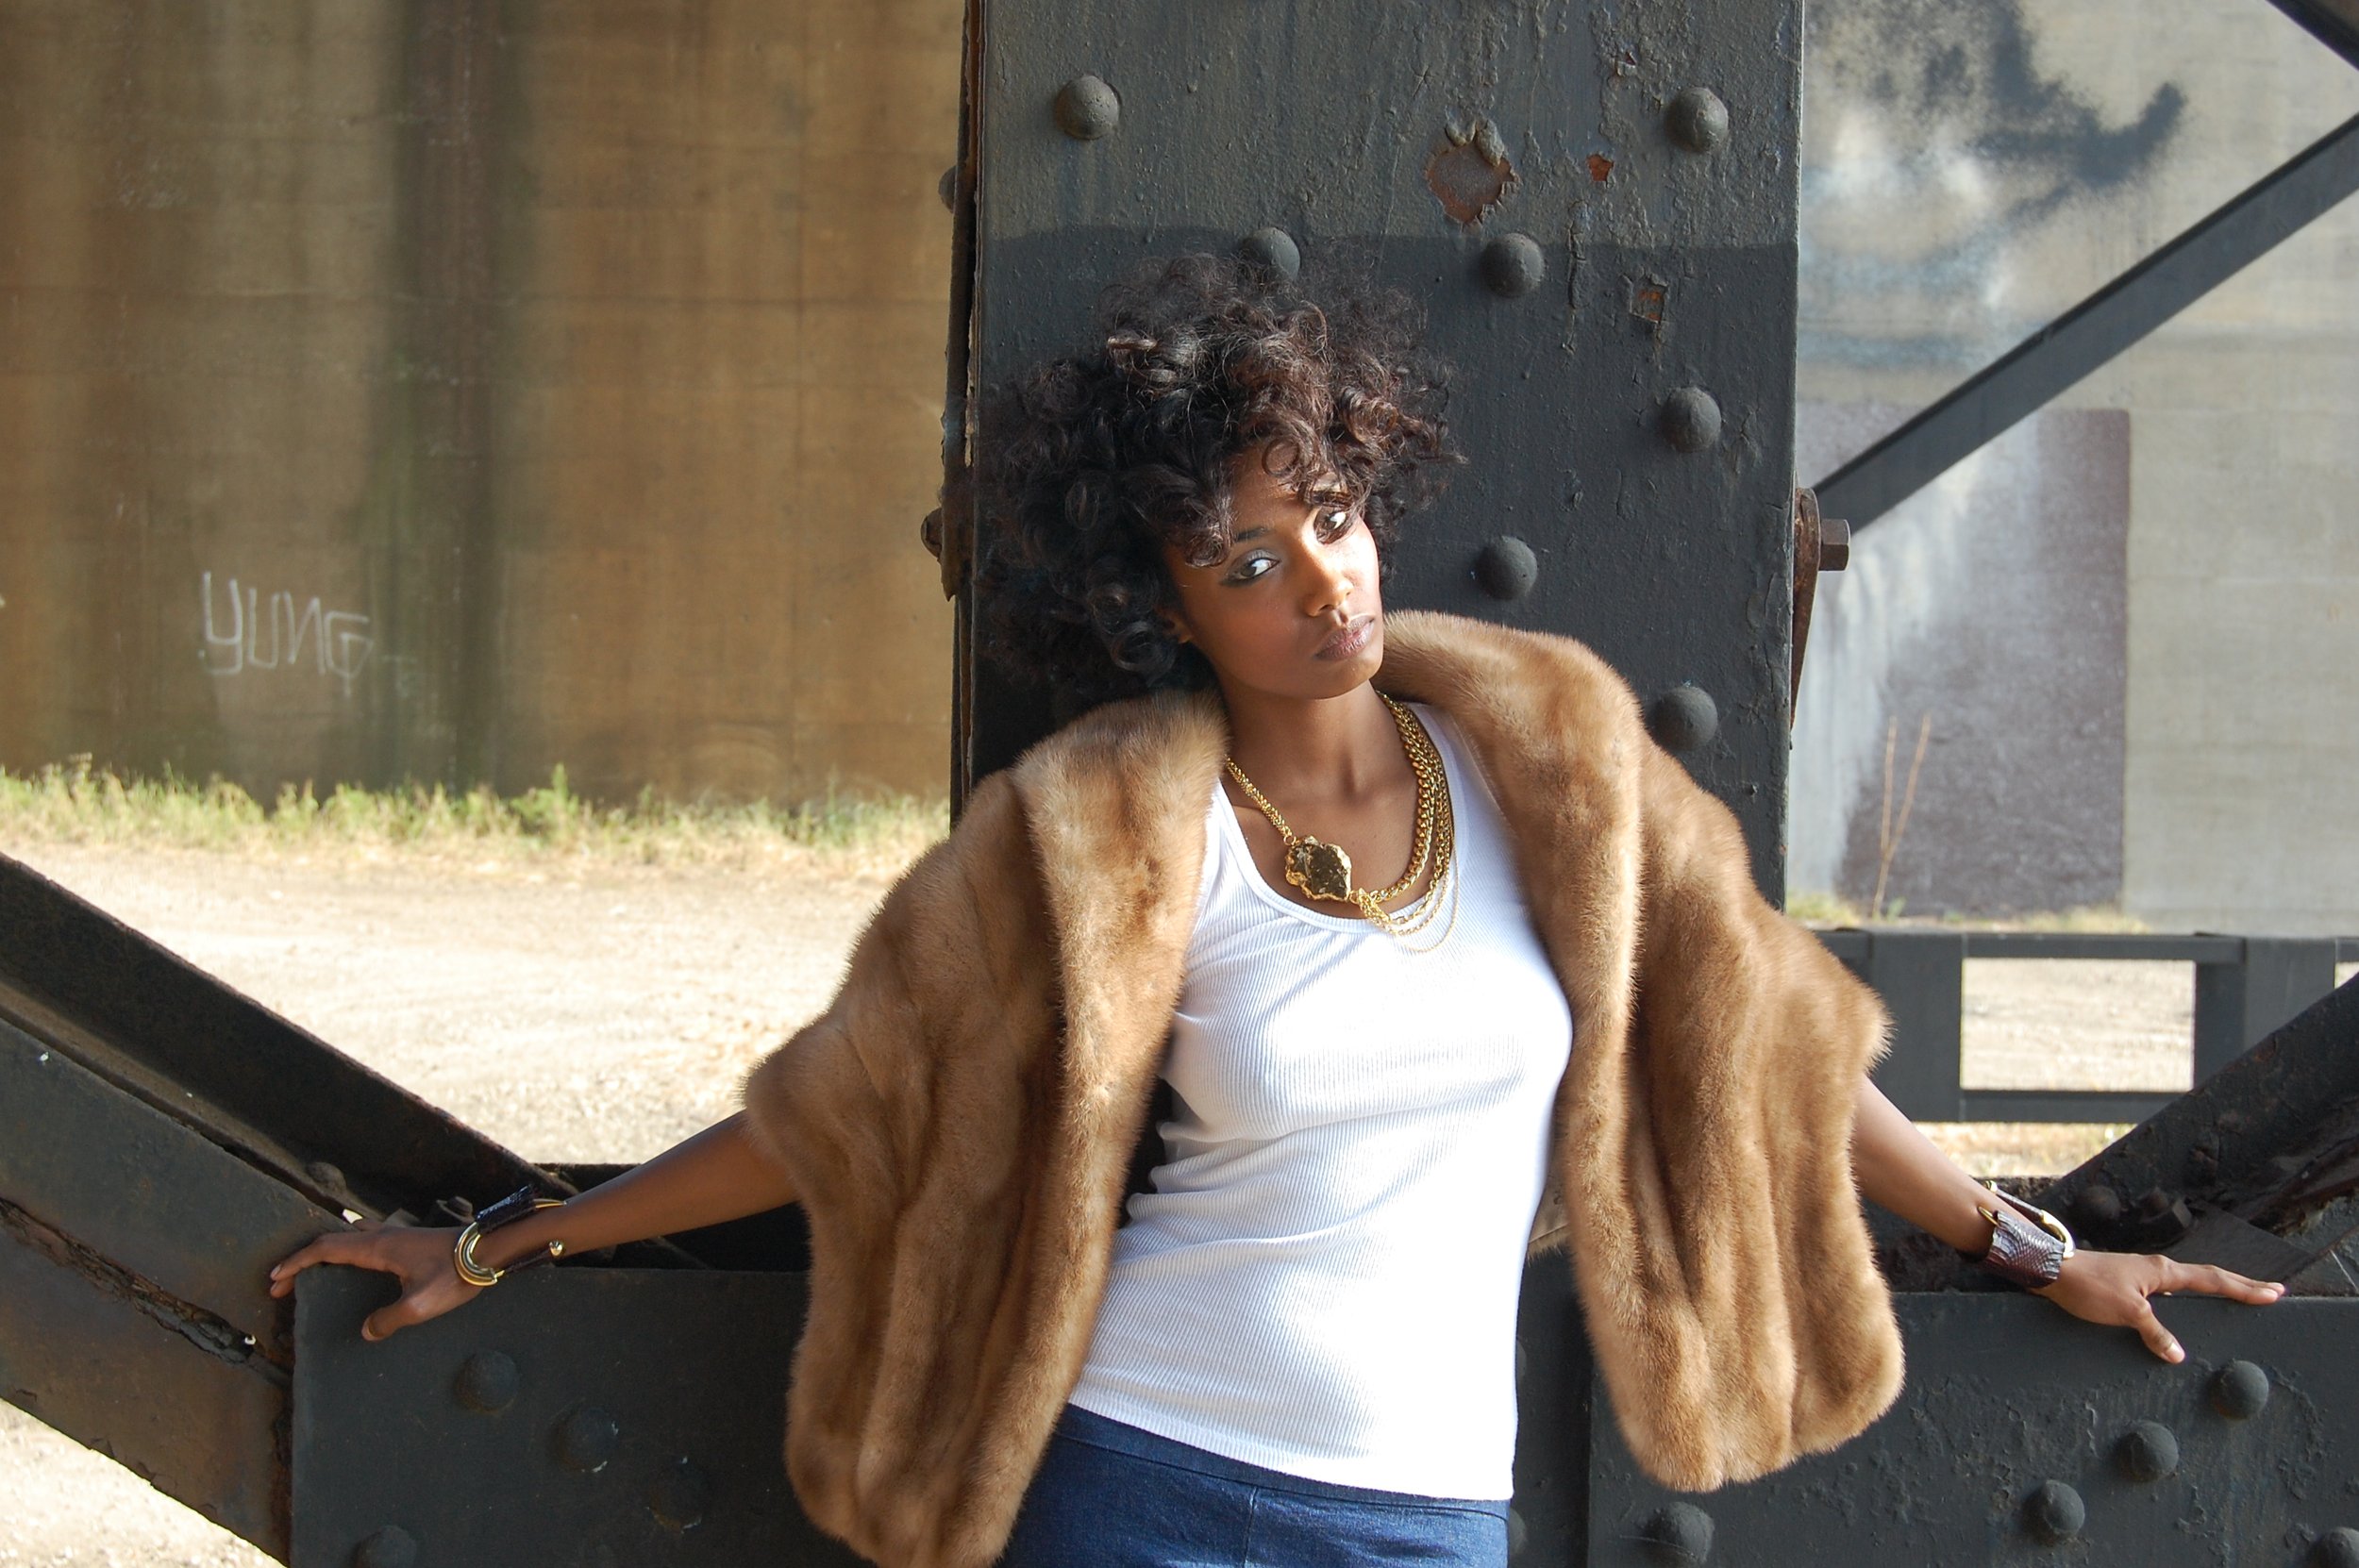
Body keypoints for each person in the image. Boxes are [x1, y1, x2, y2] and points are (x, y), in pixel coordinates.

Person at [270, 255, 2282, 1568]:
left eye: (1326, 512)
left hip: (1419, 1517)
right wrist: (510, 1240)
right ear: (1168, 609)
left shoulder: (1544, 775)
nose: (1316, 579)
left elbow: (1758, 1045)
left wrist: (2033, 1252)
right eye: (1245, 557)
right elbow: (846, 1112)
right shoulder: (1118, 835)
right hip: (1135, 1477)